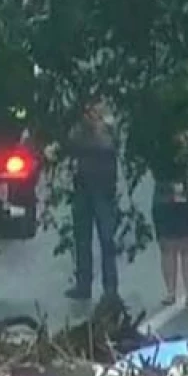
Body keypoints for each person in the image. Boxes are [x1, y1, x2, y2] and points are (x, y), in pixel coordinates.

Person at [66, 99, 120, 301]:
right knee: (82, 237)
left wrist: (98, 127)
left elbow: (108, 145)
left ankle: (111, 287)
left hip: (103, 188)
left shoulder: (109, 125)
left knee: (106, 238)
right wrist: (85, 126)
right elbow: (71, 142)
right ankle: (83, 284)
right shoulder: (80, 128)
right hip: (82, 186)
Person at [152, 131, 188, 307]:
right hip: (164, 196)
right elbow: (154, 165)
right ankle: (170, 292)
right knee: (168, 246)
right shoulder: (159, 142)